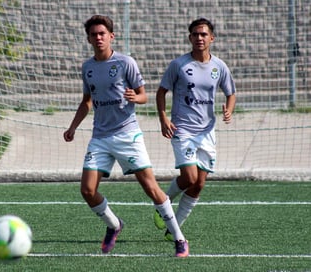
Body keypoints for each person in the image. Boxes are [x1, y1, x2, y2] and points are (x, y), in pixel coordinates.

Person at [64, 15, 189, 257]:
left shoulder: (125, 63)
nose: (98, 38)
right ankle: (114, 225)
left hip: (127, 134)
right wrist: (73, 127)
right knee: (87, 191)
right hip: (100, 137)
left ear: (112, 36)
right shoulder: (87, 67)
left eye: (102, 33)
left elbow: (143, 95)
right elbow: (86, 101)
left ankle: (179, 238)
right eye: (93, 34)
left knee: (151, 187)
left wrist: (136, 98)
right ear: (88, 38)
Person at [153, 18, 236, 241]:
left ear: (212, 38)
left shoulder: (219, 66)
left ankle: (174, 228)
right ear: (190, 38)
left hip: (207, 131)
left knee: (199, 185)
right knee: (189, 178)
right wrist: (163, 119)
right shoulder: (179, 65)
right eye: (195, 34)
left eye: (204, 34)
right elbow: (161, 92)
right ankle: (164, 202)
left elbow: (231, 93)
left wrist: (228, 110)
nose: (199, 38)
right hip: (183, 130)